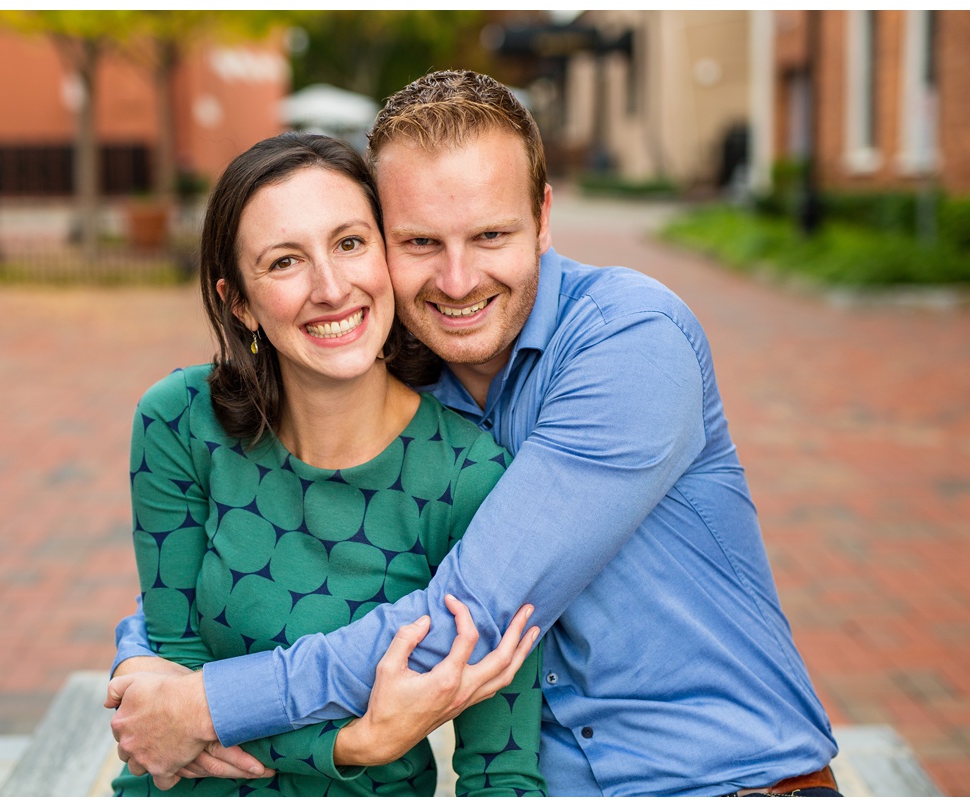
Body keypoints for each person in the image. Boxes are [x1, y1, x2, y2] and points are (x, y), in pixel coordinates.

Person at [108, 70, 841, 797]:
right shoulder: (402, 379)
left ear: (544, 217)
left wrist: (204, 703)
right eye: (421, 241)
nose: (458, 280)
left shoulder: (631, 342)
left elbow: (471, 612)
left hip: (731, 780)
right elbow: (221, 566)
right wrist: (140, 665)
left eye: (490, 234)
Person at [110, 131, 546, 797]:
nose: (332, 287)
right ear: (239, 302)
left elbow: (501, 768)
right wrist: (357, 742)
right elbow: (169, 700)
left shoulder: (471, 474)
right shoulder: (179, 421)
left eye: (350, 243)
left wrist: (207, 721)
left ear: (387, 255)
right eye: (285, 261)